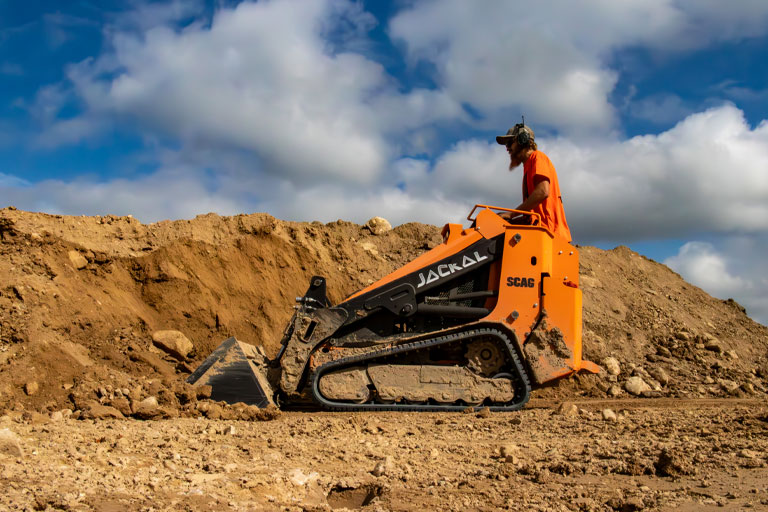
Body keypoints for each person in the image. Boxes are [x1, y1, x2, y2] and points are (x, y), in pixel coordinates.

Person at [495, 123, 572, 243]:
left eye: (509, 143)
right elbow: (531, 216)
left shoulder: (538, 158)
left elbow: (542, 192)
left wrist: (511, 214)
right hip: (540, 231)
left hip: (550, 234)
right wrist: (507, 221)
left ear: (522, 140)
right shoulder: (527, 167)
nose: (507, 148)